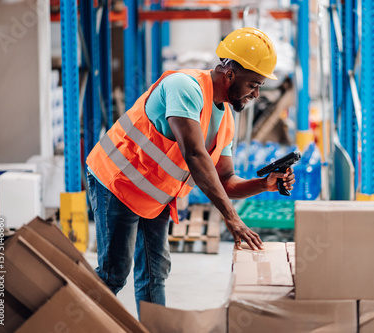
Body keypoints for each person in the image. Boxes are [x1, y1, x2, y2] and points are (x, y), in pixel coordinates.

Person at [85, 27, 296, 312]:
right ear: (230, 74)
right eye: (253, 84)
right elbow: (195, 155)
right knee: (114, 273)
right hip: (118, 181)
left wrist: (265, 184)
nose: (257, 94)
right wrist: (231, 219)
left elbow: (227, 181)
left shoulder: (226, 122)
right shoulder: (185, 87)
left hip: (154, 195)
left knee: (155, 273)